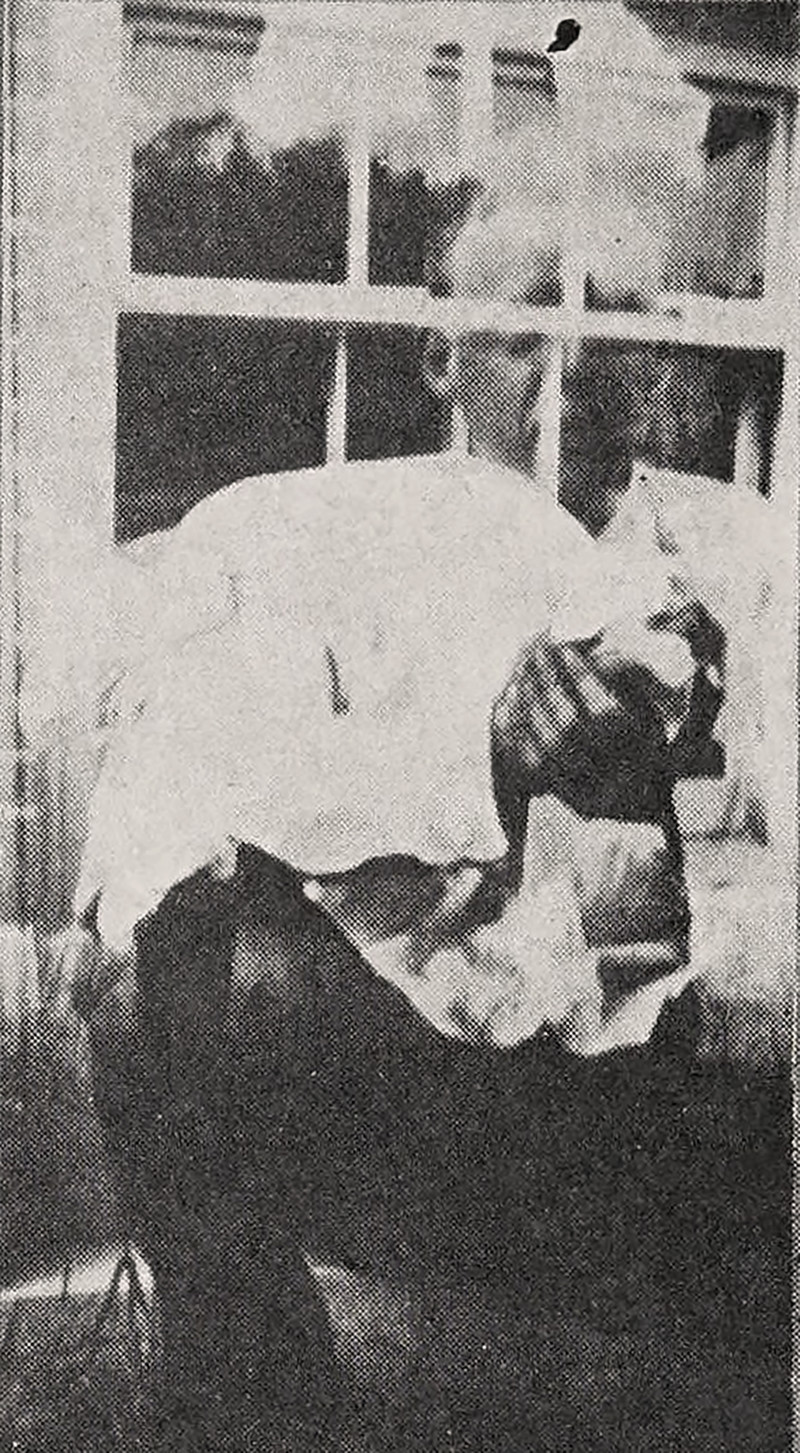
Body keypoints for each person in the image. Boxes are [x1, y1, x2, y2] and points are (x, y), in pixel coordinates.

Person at [71, 152, 725, 1451]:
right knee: (163, 943)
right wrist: (467, 752)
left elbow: (672, 765)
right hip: (377, 1000)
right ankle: (255, 1378)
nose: (570, 370)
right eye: (526, 331)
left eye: (600, 326)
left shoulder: (679, 552)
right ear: (442, 359)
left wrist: (630, 727)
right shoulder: (348, 536)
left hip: (578, 1028)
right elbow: (203, 756)